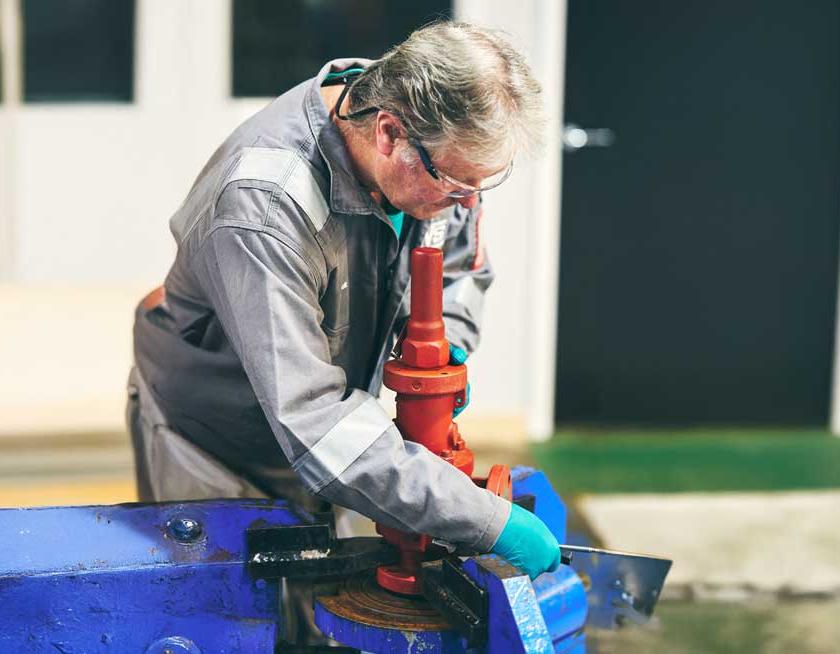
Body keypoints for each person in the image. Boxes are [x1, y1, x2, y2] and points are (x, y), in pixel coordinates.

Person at [127, 21, 560, 600]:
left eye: (482, 185)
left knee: (314, 601)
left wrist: (442, 343)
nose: (467, 203)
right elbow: (313, 420)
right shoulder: (264, 205)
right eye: (457, 186)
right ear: (388, 134)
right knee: (224, 615)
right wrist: (484, 520)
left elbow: (460, 264)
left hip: (324, 436)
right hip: (216, 440)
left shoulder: (428, 155)